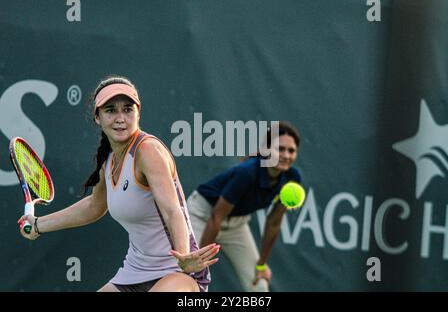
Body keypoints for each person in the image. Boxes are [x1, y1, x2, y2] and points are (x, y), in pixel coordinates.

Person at [18, 76, 220, 292]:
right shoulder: (109, 162)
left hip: (177, 273)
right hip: (134, 272)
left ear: (138, 113)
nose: (120, 118)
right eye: (111, 110)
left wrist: (184, 259)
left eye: (127, 109)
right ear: (97, 117)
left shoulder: (147, 151)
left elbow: (173, 210)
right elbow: (93, 207)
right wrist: (38, 224)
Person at [186, 121, 302, 292]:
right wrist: (200, 264)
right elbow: (216, 217)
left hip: (236, 225)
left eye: (291, 150)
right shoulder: (247, 173)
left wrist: (261, 265)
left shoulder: (292, 178)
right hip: (202, 216)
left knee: (260, 286)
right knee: (188, 278)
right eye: (280, 149)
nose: (286, 155)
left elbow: (274, 223)